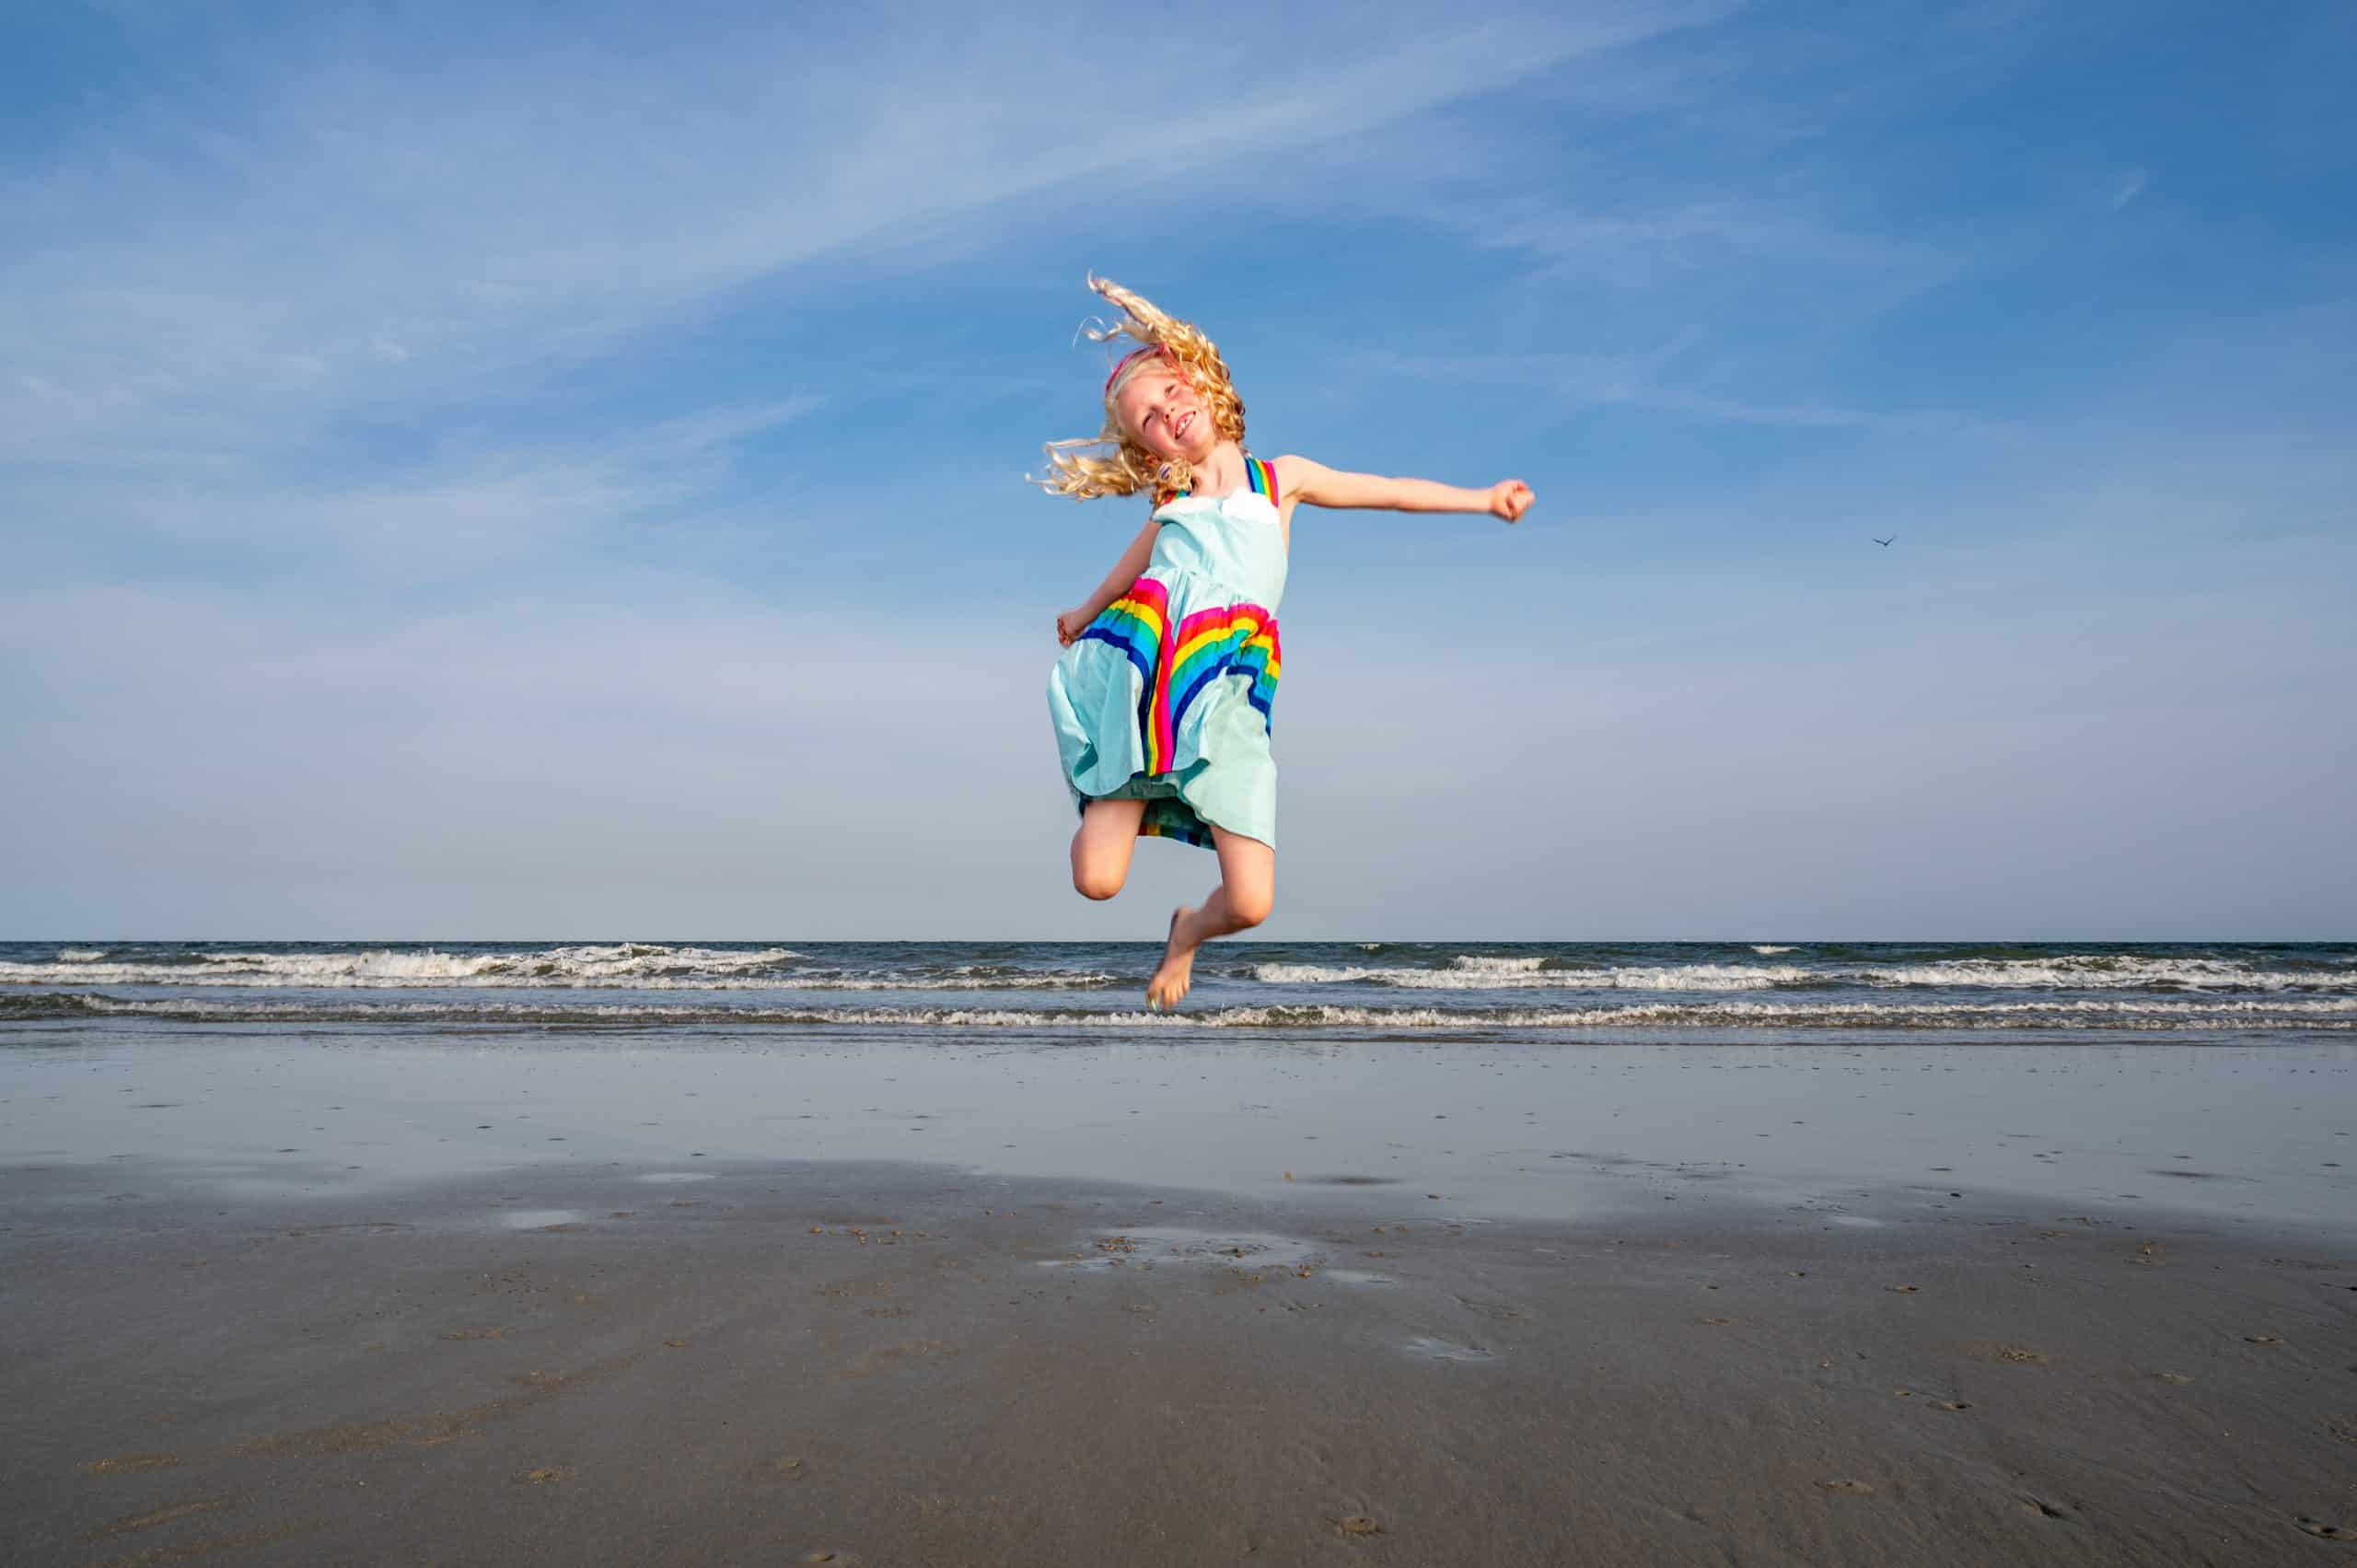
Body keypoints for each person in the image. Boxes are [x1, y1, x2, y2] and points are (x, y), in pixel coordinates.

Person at [1039, 277, 1533, 1010]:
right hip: (1148, 691)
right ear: (1144, 447)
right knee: (1096, 881)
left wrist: (1484, 499)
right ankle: (1138, 794)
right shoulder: (1172, 507)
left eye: (1170, 392)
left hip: (1231, 691)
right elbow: (1129, 569)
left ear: (1202, 382)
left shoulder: (1281, 481)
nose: (1166, 412)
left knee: (1250, 902)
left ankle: (1186, 932)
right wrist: (1083, 612)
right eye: (1147, 417)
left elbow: (1390, 489)